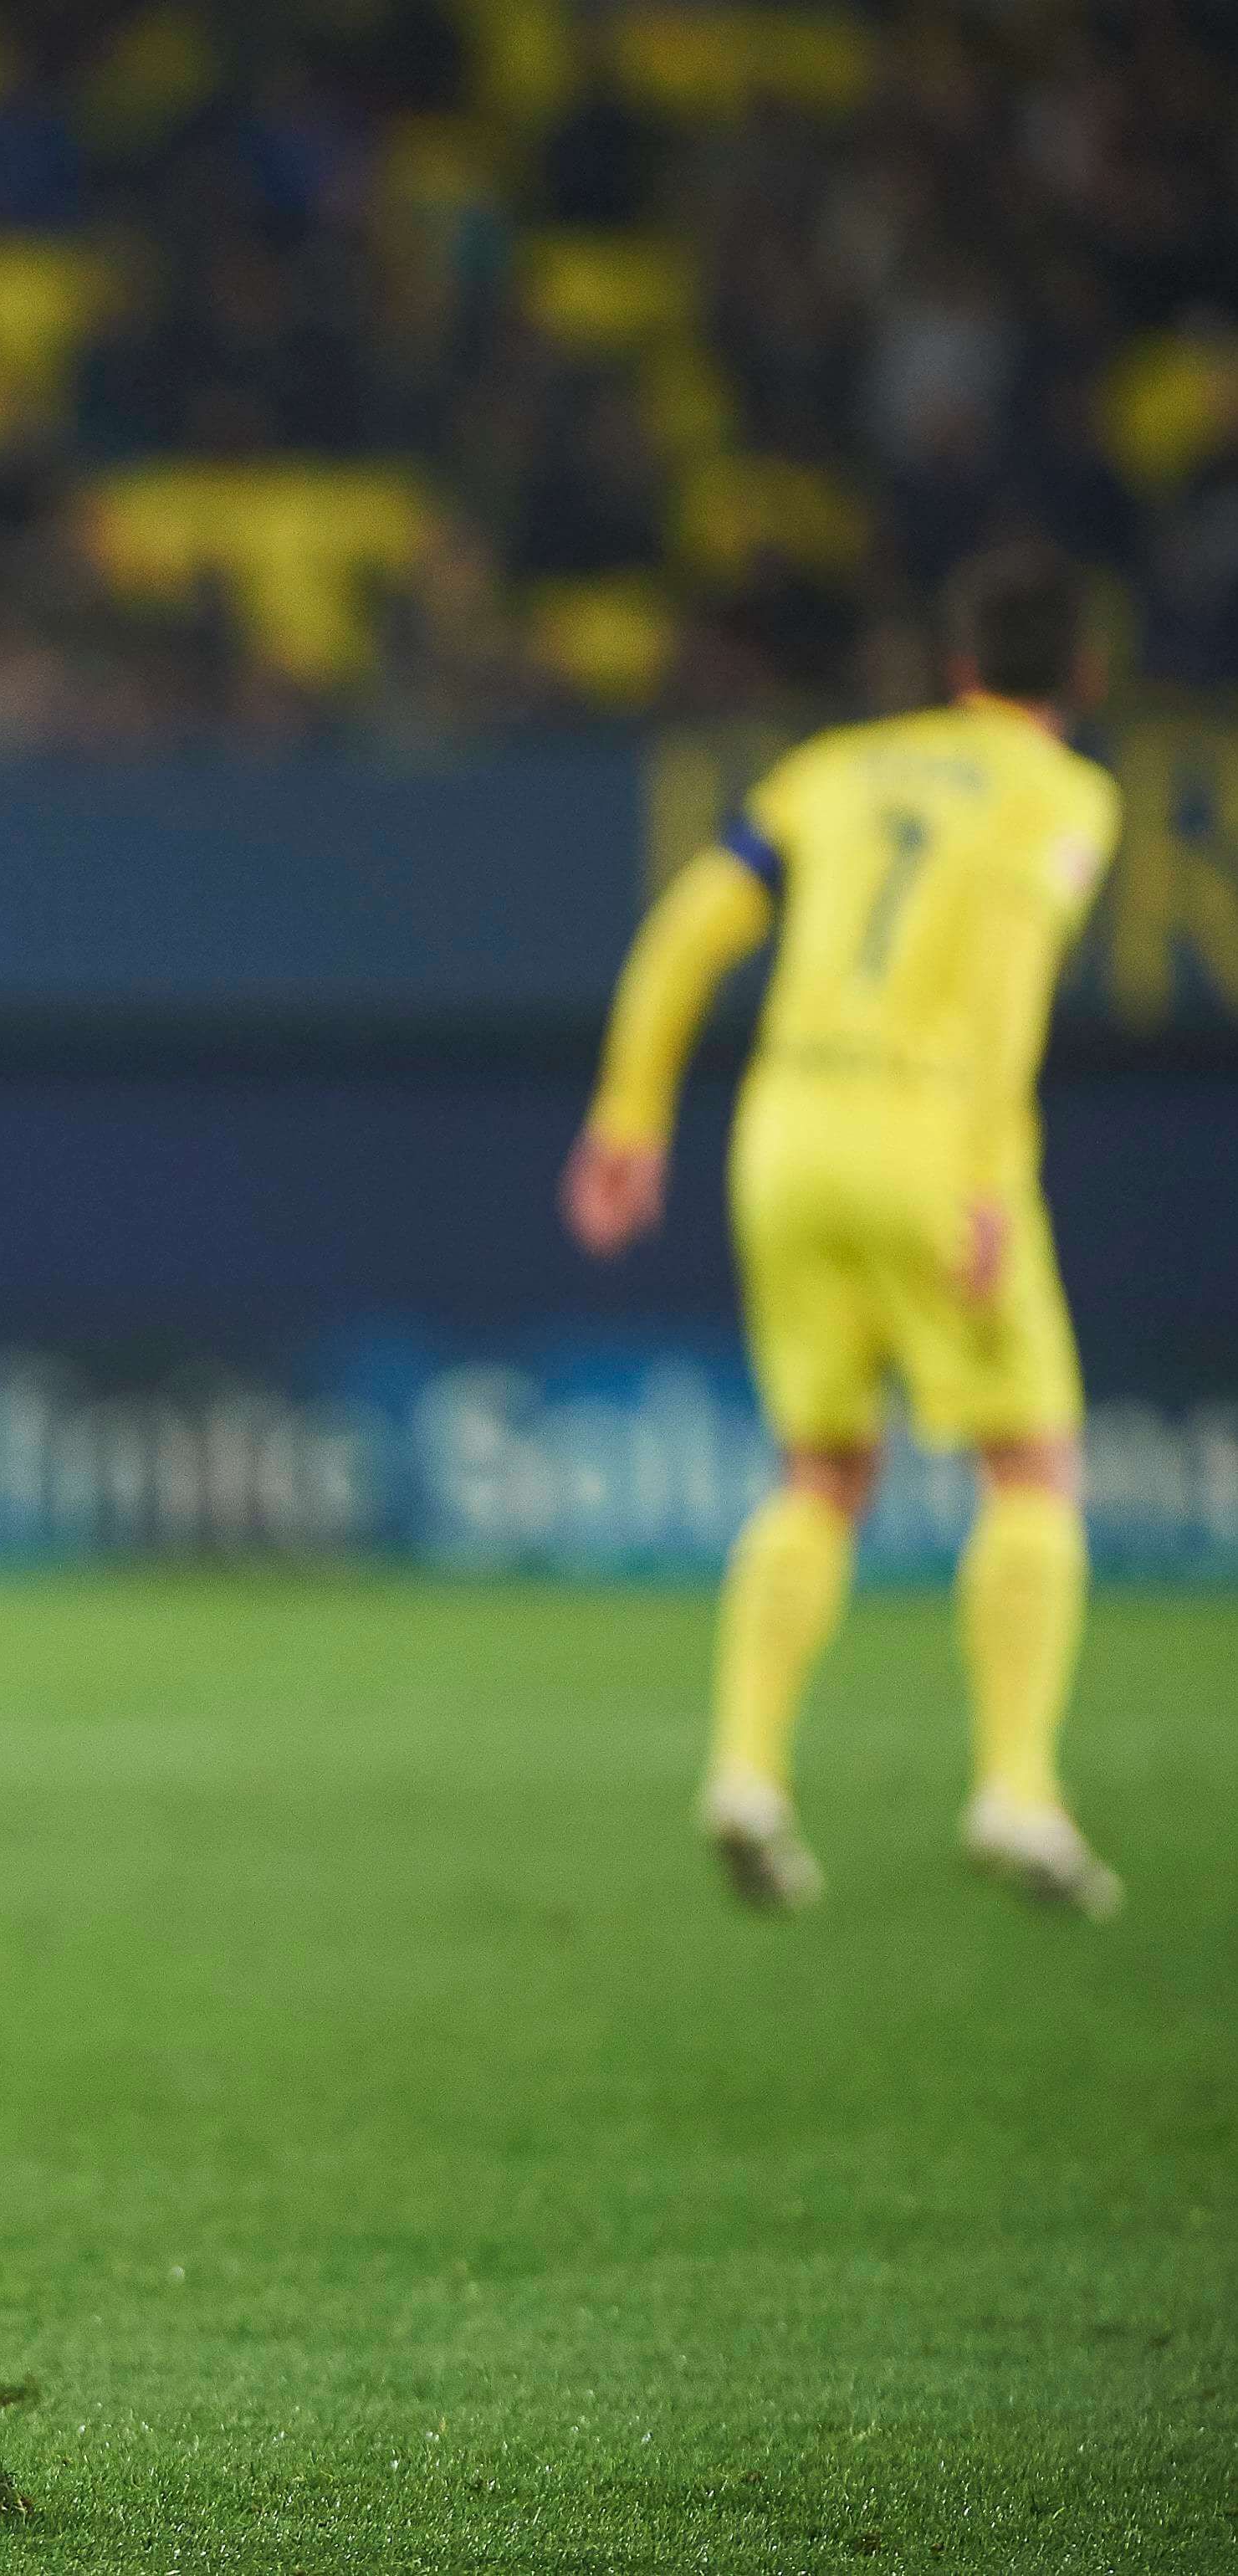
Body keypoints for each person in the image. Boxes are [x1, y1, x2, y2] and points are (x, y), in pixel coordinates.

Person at [565, 545, 1118, 1920]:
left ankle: (748, 1773)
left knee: (819, 1469)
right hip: (934, 1138)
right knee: (1029, 1457)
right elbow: (1002, 976)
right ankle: (1017, 1791)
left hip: (788, 1136)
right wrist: (987, 1180)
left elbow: (691, 928)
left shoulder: (836, 771)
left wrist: (630, 1120)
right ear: (1087, 677)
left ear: (956, 663)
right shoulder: (1064, 795)